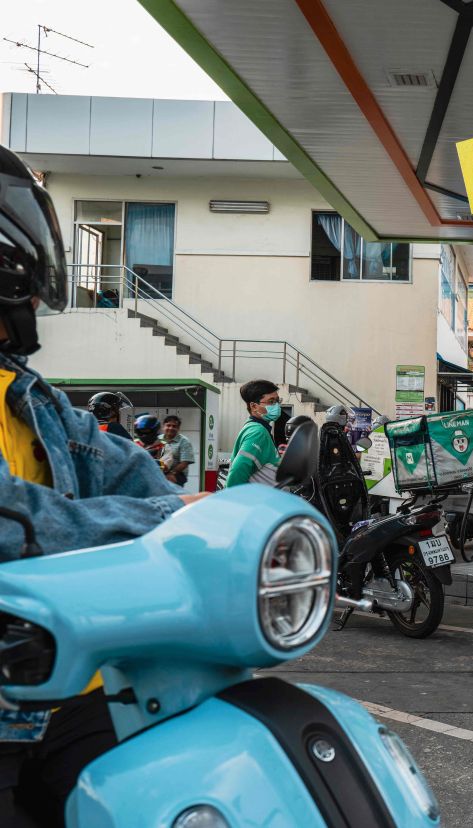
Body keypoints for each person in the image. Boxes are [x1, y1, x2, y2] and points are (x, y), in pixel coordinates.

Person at [0, 142, 208, 825]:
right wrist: (169, 520)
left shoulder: (38, 400)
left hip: (69, 688)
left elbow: (135, 479)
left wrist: (197, 514)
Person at [225, 379, 282, 487]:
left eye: (277, 401)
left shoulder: (257, 428)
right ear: (254, 406)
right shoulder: (257, 432)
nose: (276, 406)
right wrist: (232, 500)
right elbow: (239, 469)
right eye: (271, 402)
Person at [160, 415, 196, 487]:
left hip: (177, 473)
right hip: (159, 472)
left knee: (168, 483)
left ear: (178, 428)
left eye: (174, 426)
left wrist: (171, 473)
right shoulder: (158, 439)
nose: (171, 428)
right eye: (168, 425)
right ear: (163, 427)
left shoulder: (184, 442)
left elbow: (184, 463)